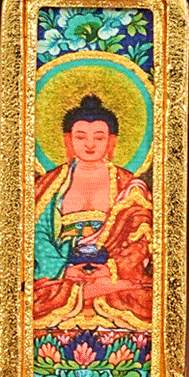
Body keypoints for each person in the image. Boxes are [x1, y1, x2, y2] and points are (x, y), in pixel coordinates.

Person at [33, 94, 153, 330]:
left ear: (111, 141)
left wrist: (112, 269)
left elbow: (142, 237)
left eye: (99, 137)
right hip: (64, 269)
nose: (90, 144)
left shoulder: (129, 185)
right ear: (68, 139)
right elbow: (38, 234)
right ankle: (92, 290)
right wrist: (63, 268)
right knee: (34, 304)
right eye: (81, 136)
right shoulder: (50, 184)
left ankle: (98, 289)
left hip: (113, 269)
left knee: (147, 301)